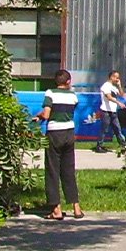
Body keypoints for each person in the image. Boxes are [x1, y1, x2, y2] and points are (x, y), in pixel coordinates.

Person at [36, 70, 84, 220]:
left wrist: (38, 117)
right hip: (69, 133)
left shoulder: (50, 93)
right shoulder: (73, 96)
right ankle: (76, 208)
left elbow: (47, 114)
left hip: (54, 134)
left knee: (52, 171)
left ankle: (56, 209)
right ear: (68, 81)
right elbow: (68, 112)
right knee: (68, 170)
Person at [94, 70, 126, 153]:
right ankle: (99, 146)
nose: (117, 79)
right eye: (116, 77)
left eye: (118, 78)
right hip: (106, 111)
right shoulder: (106, 86)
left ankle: (123, 145)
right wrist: (118, 103)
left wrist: (119, 85)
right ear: (111, 77)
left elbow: (122, 94)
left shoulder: (114, 87)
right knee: (104, 129)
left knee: (117, 129)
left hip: (113, 111)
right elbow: (108, 97)